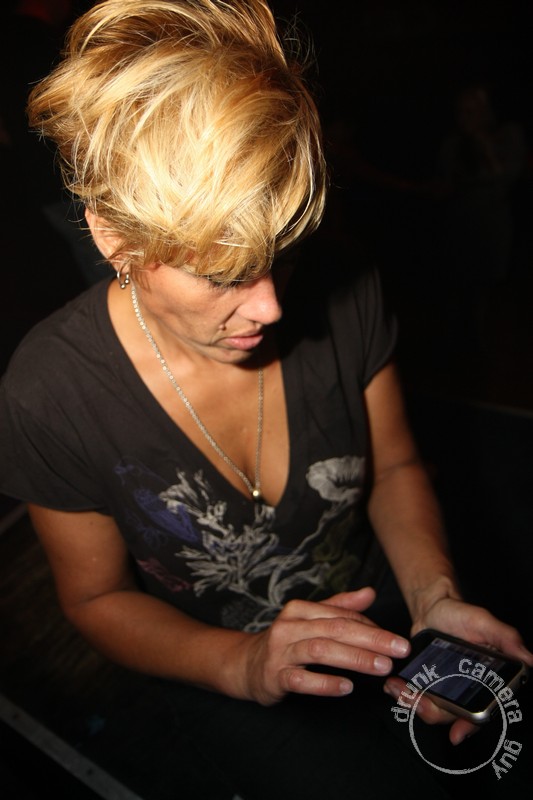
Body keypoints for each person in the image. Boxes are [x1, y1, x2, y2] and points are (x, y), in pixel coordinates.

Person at [0, 2, 531, 797]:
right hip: (216, 664)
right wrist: (244, 664)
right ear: (112, 236)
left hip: (386, 605)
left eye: (283, 254)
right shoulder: (48, 395)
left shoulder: (345, 285)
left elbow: (393, 466)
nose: (272, 307)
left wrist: (434, 596)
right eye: (222, 275)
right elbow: (97, 598)